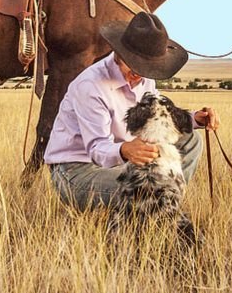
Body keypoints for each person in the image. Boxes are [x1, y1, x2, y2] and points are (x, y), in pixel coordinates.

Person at [44, 12, 220, 211]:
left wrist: (195, 118)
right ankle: (158, 208)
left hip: (124, 161)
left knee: (191, 139)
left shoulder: (145, 78)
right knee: (147, 190)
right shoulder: (91, 85)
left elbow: (157, 119)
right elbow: (96, 149)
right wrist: (124, 150)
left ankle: (166, 204)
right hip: (78, 170)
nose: (139, 76)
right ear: (119, 53)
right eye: (135, 68)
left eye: (147, 69)